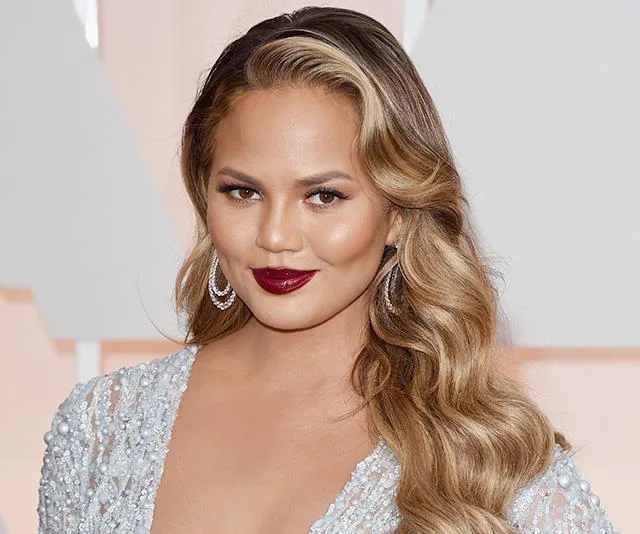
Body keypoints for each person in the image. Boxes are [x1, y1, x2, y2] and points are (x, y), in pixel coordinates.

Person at [37, 6, 617, 534]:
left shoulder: (486, 461)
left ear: (397, 212)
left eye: (323, 196)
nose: (275, 236)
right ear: (203, 193)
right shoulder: (100, 429)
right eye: (242, 191)